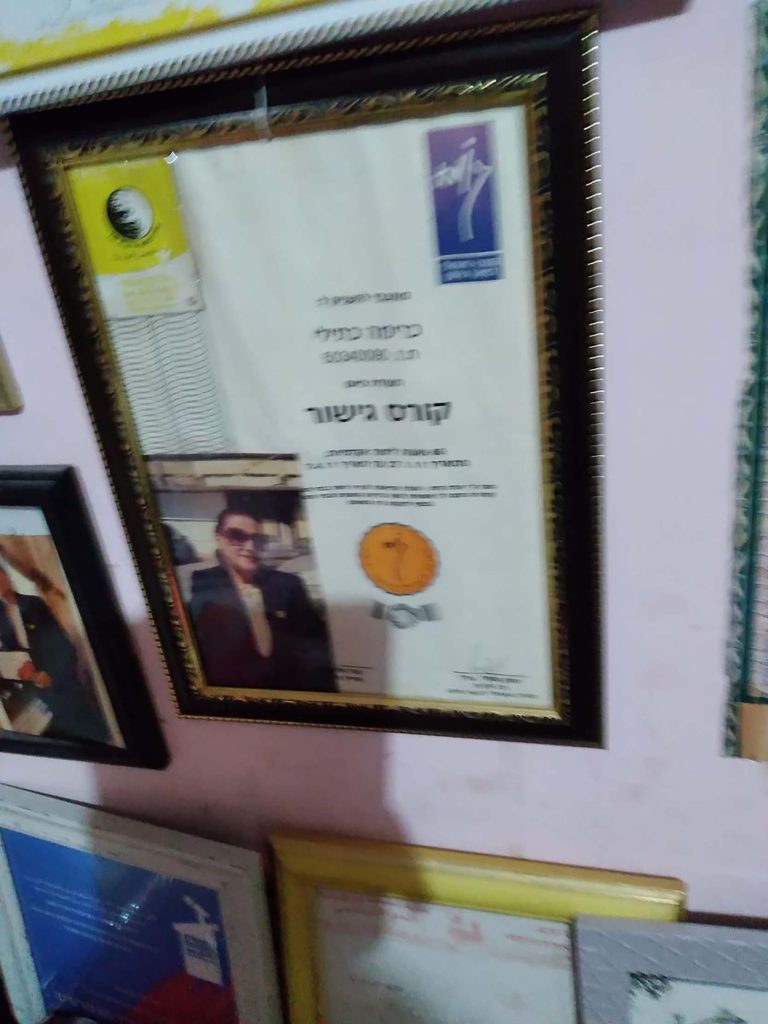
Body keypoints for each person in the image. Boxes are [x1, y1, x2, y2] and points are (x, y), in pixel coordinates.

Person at [188, 509, 336, 691]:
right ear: (219, 538)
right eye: (237, 536)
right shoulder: (205, 584)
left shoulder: (287, 585)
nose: (250, 547)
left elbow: (314, 645)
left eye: (257, 539)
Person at [0, 561, 109, 742]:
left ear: (6, 576)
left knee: (94, 735)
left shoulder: (33, 604)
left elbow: (62, 644)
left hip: (59, 680)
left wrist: (49, 676)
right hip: (33, 694)